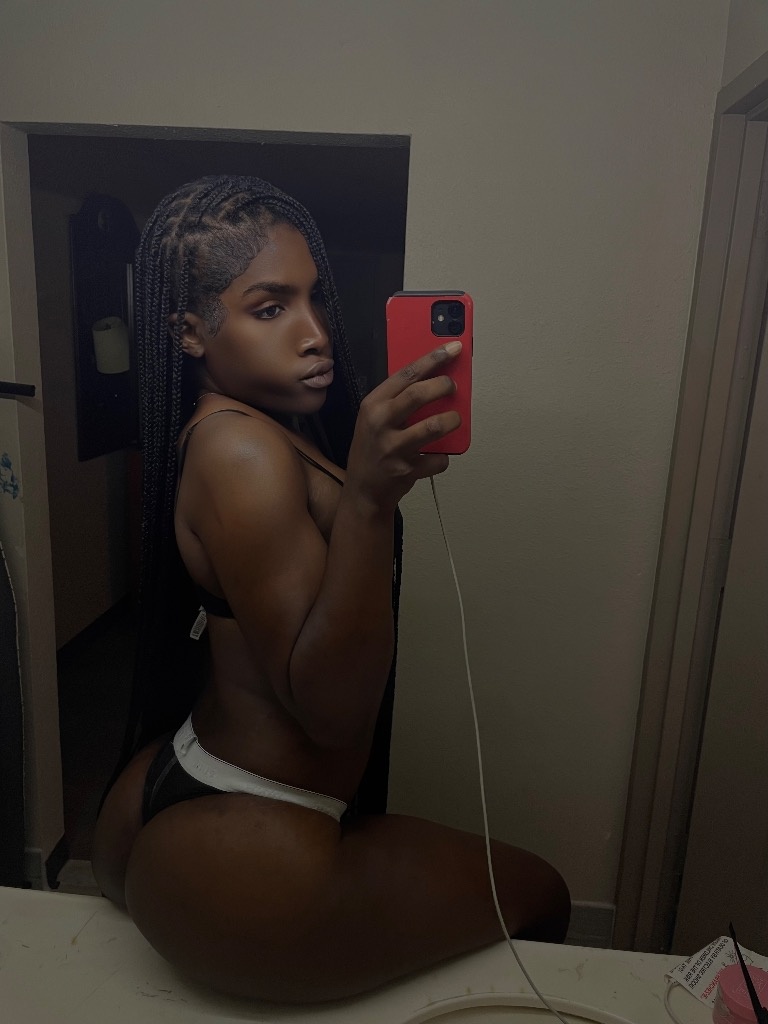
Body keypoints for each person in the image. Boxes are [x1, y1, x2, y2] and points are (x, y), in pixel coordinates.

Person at [92, 175, 570, 1003]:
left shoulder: (250, 430)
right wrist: (369, 503)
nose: (315, 333)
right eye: (270, 307)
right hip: (250, 828)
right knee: (545, 895)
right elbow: (333, 712)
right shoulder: (241, 451)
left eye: (314, 297)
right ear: (190, 332)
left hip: (184, 774)